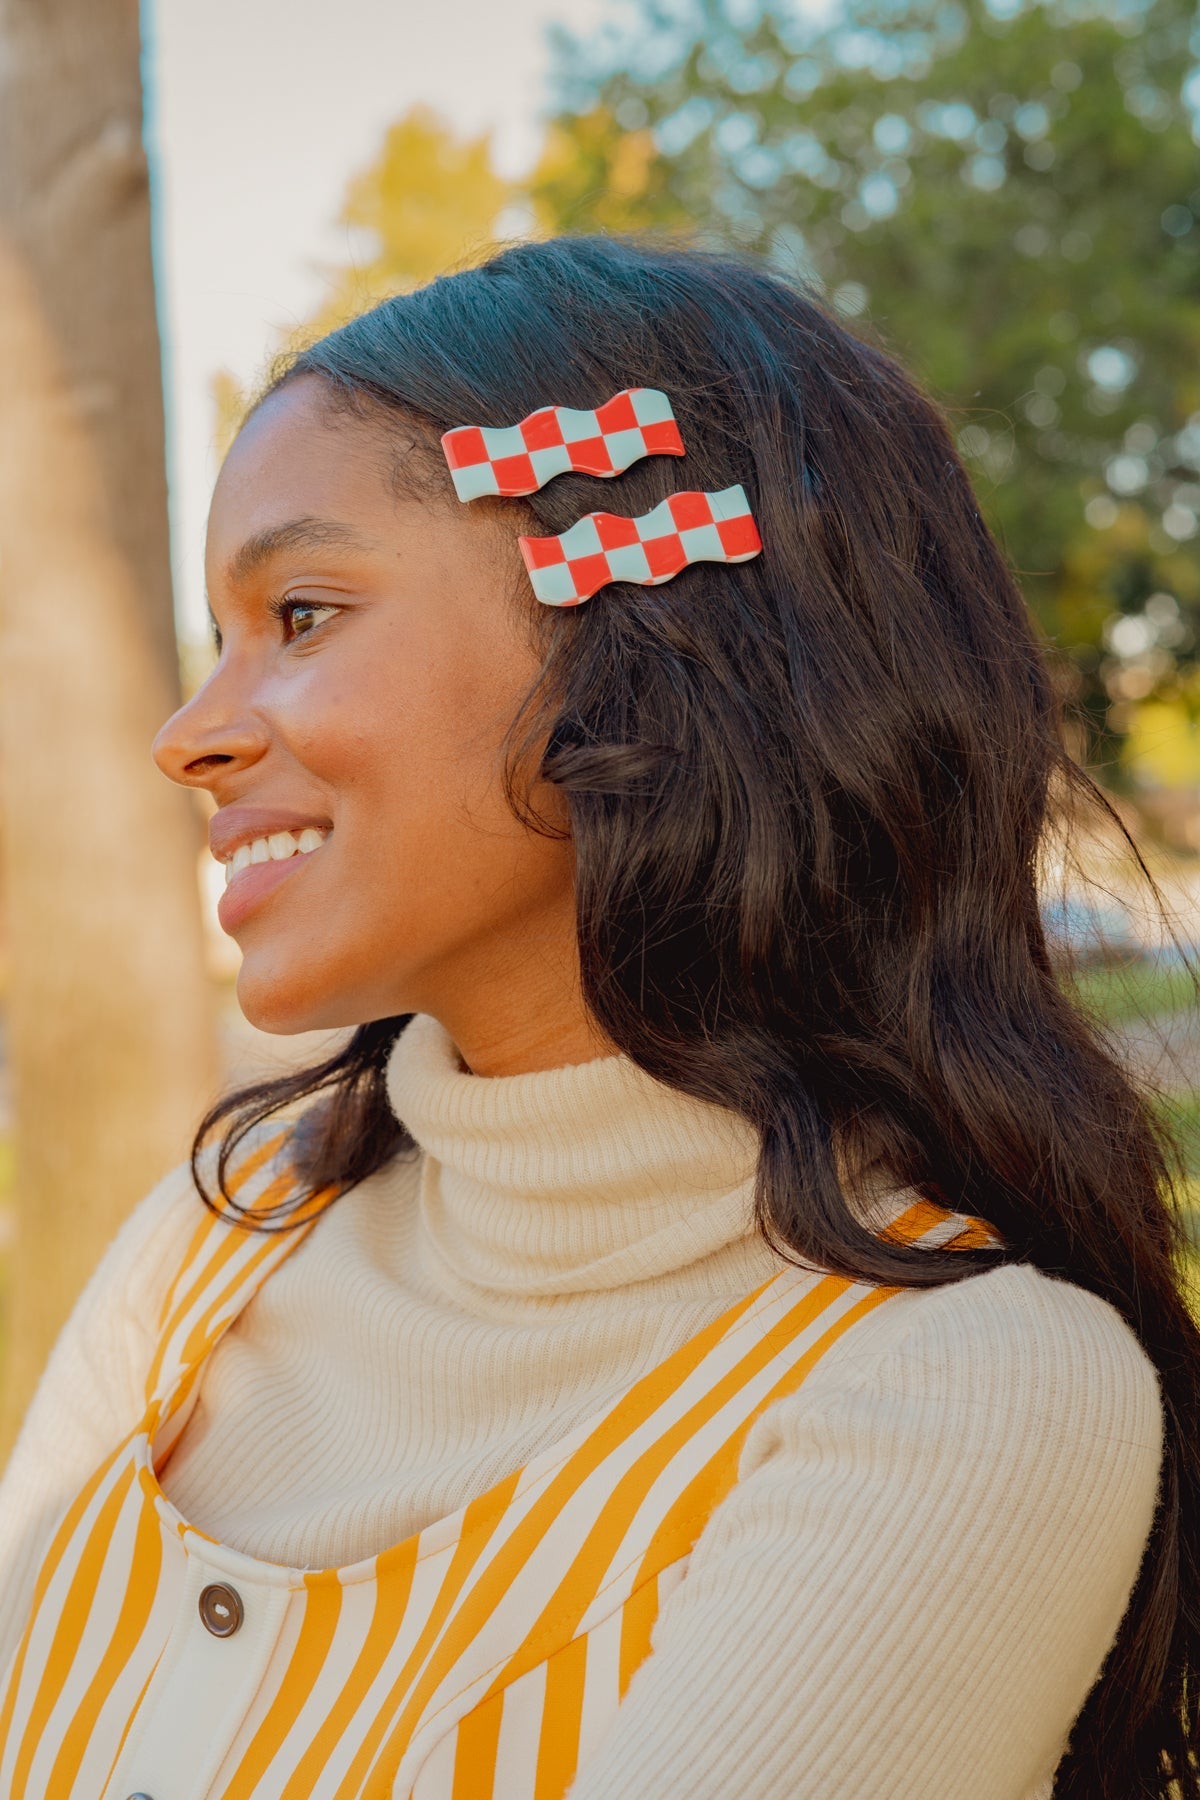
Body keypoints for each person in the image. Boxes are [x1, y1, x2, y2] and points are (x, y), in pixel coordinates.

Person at [0, 235, 1193, 1800]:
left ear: (644, 638)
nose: (191, 736)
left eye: (298, 614)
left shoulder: (965, 1397)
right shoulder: (216, 1246)